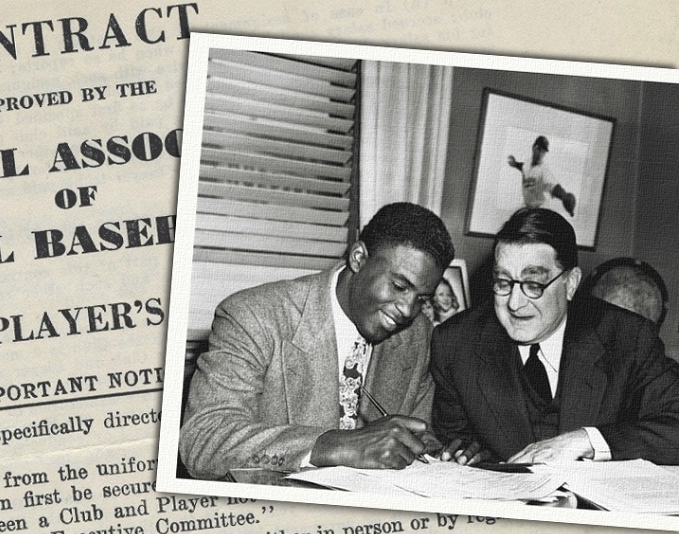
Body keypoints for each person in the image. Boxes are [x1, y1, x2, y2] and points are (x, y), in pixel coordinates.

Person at [180, 202, 455, 479]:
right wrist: (330, 445)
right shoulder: (254, 316)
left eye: (421, 299)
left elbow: (418, 435)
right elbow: (203, 441)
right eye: (398, 286)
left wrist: (445, 455)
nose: (408, 310)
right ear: (358, 258)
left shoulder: (417, 334)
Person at [430, 207, 679, 466]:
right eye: (503, 283)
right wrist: (466, 452)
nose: (515, 303)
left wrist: (587, 440)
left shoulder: (627, 337)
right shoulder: (457, 344)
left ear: (570, 284)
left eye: (533, 285)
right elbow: (456, 440)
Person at [507, 136, 577, 217]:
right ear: (533, 148)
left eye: (543, 151)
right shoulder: (526, 165)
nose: (541, 154)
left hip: (540, 211)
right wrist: (514, 163)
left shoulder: (544, 171)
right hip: (528, 209)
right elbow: (522, 167)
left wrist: (565, 196)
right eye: (539, 149)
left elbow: (554, 187)